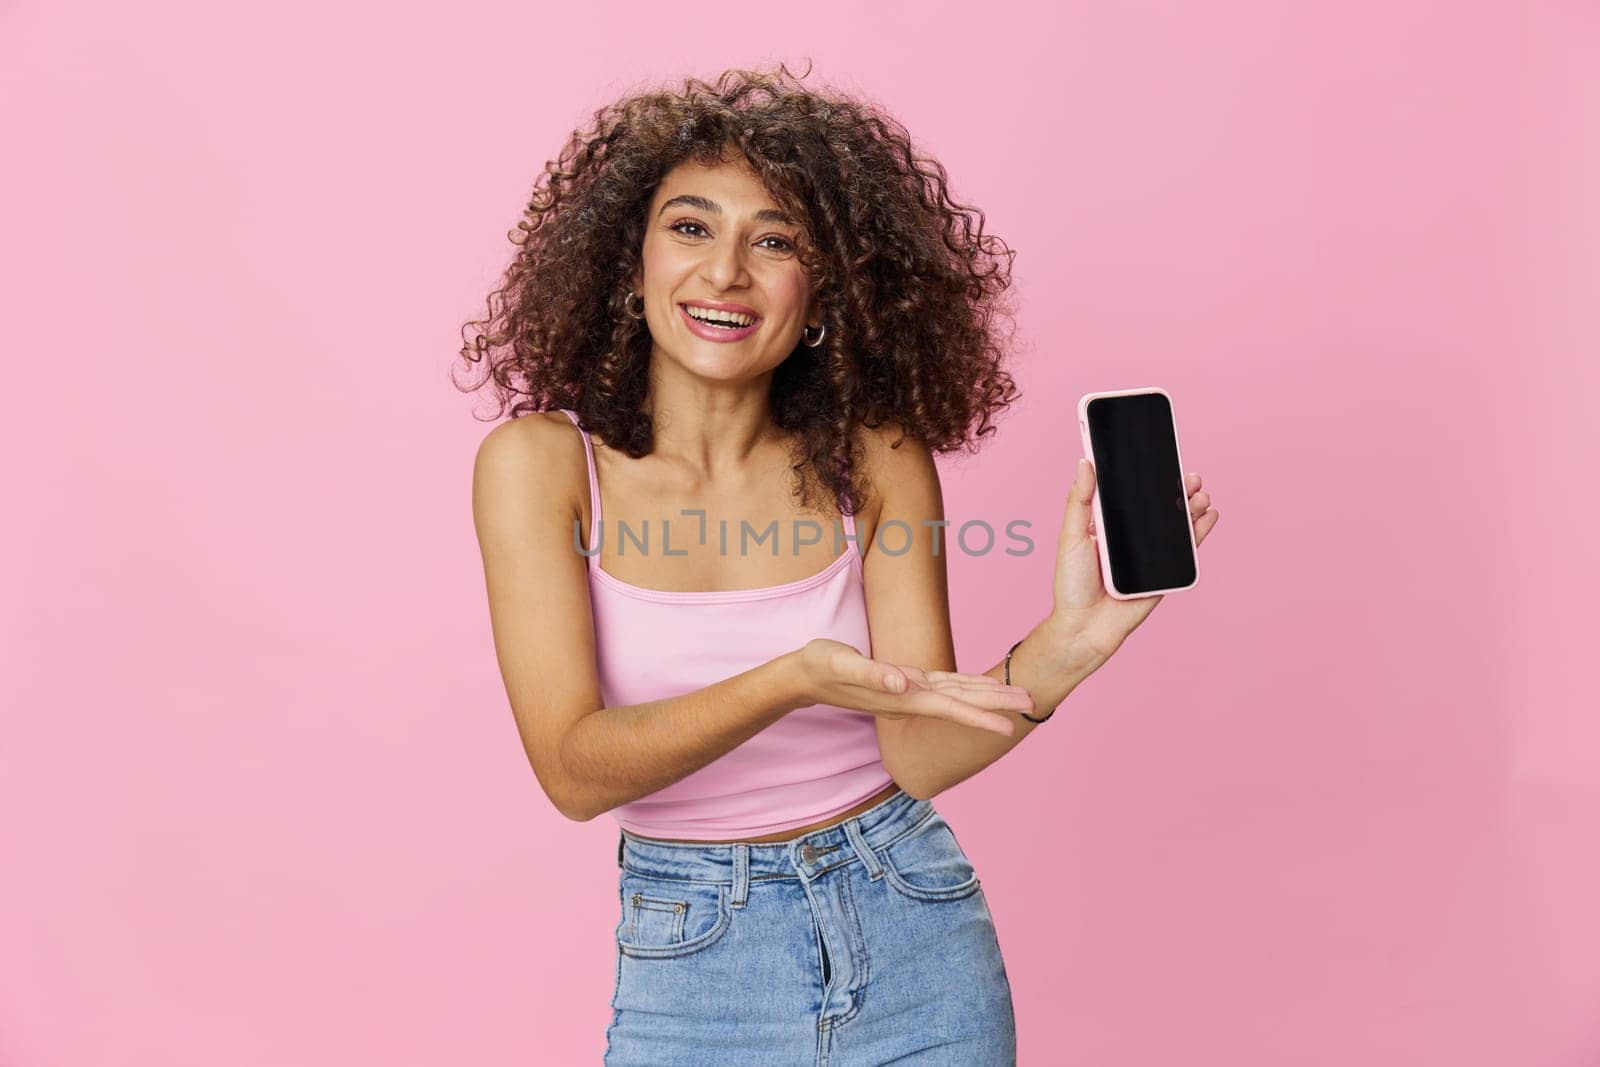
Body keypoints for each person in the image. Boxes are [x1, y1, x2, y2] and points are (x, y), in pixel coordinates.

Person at [461, 63, 1219, 1067]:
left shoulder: (878, 456)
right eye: (690, 227)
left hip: (912, 918)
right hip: (694, 958)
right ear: (626, 264)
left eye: (773, 240)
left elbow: (913, 753)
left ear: (821, 290)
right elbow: (572, 768)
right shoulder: (543, 468)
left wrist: (1066, 646)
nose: (725, 273)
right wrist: (790, 679)